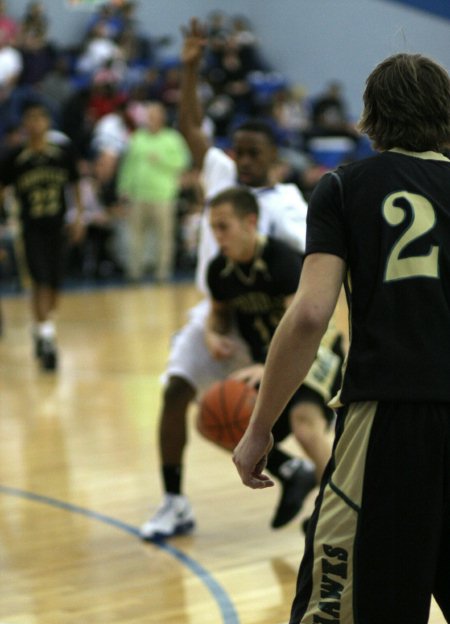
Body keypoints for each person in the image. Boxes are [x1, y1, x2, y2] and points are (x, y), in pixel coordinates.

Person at [233, 52, 450, 624]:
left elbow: (308, 316)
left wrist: (259, 430)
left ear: (371, 118)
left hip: (388, 416)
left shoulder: (344, 186)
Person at [139, 18, 315, 541]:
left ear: (275, 160)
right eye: (238, 151)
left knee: (299, 419)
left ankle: (327, 496)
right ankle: (174, 501)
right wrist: (189, 70)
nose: (242, 160)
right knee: (178, 394)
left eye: (254, 154)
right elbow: (192, 127)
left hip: (267, 324)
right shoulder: (219, 172)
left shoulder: (289, 206)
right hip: (216, 310)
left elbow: (305, 288)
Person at [206, 186, 343, 490]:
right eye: (213, 227)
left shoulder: (280, 259)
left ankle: (337, 506)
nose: (217, 235)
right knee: (214, 415)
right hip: (268, 361)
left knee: (305, 424)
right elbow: (218, 315)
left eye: (223, 226)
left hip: (317, 350)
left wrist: (267, 367)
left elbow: (302, 329)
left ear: (250, 222)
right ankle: (293, 471)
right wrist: (212, 335)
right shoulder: (218, 271)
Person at [0, 101, 83, 371]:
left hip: (58, 227)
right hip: (30, 229)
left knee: (55, 285)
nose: (36, 123)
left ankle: (41, 326)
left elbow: (75, 184)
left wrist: (78, 216)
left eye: (40, 118)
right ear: (24, 124)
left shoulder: (61, 153)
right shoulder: (15, 158)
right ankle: (46, 336)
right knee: (41, 281)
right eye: (30, 119)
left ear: (48, 122)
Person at [117, 101, 190, 282]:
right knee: (135, 236)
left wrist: (161, 159)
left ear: (162, 118)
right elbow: (128, 165)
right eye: (148, 116)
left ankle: (162, 274)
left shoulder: (172, 138)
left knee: (164, 237)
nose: (150, 120)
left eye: (154, 116)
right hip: (138, 195)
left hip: (163, 195)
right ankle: (134, 273)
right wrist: (123, 187)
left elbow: (183, 163)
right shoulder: (137, 138)